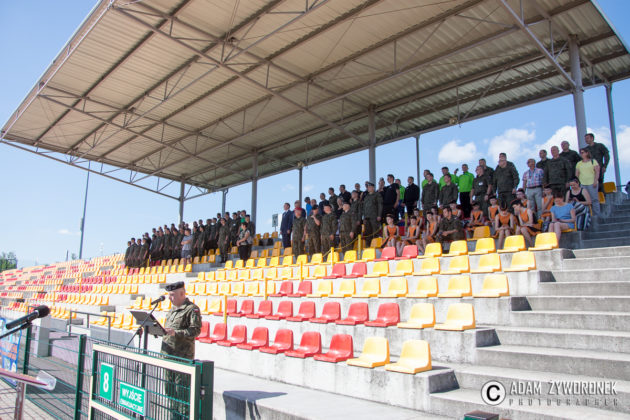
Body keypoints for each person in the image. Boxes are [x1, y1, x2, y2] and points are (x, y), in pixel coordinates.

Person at [161, 281, 202, 419]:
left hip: (182, 357)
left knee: (182, 392)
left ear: (182, 294)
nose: (170, 298)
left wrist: (176, 333)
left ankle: (183, 417)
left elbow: (195, 330)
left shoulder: (192, 309)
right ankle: (174, 416)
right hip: (168, 355)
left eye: (172, 295)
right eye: (169, 295)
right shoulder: (172, 310)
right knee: (170, 390)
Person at [575, 148, 601, 216]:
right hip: (582, 183)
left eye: (583, 152)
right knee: (585, 200)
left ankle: (596, 215)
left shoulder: (593, 161)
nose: (581, 154)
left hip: (592, 183)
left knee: (594, 199)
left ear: (587, 153)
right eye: (580, 153)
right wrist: (577, 183)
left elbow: (597, 172)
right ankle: (587, 214)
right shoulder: (579, 163)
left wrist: (595, 181)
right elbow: (577, 174)